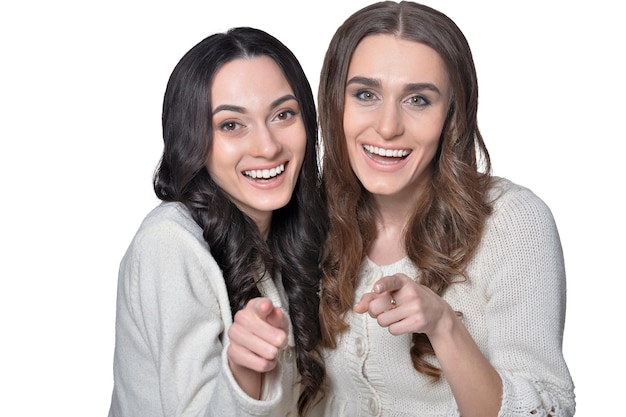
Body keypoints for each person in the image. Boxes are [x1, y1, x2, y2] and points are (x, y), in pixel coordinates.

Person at [316, 2, 575, 416]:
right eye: (365, 94)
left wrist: (444, 325)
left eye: (418, 99)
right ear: (334, 103)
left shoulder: (513, 222)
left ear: (451, 114)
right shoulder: (309, 218)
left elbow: (548, 410)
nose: (387, 126)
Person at [108, 27, 326, 417]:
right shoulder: (169, 243)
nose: (267, 146)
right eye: (231, 125)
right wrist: (242, 370)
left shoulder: (287, 233)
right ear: (194, 140)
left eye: (283, 115)